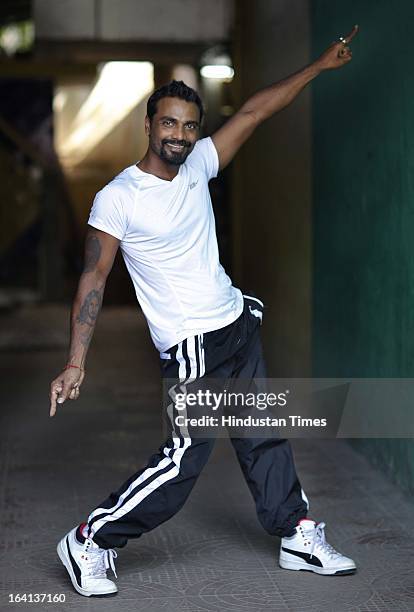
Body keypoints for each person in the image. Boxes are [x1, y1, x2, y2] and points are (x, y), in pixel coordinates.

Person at [50, 25, 359, 597]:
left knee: (263, 432)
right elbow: (94, 276)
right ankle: (91, 539)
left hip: (237, 325)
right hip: (193, 346)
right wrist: (75, 361)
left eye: (189, 126)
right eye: (168, 123)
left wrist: (318, 66)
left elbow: (255, 113)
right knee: (182, 461)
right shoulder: (119, 197)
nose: (180, 135)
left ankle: (295, 532)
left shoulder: (199, 165)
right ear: (148, 125)